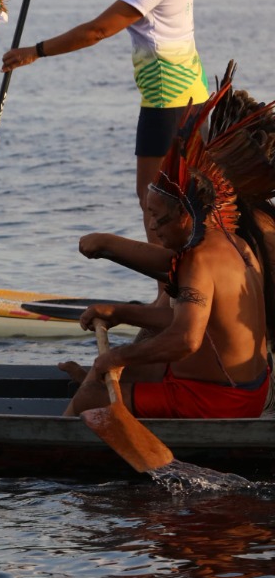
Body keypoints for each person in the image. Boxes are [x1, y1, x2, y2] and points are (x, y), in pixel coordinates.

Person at [63, 78, 271, 419]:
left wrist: (117, 357)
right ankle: (92, 392)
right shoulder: (232, 242)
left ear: (186, 216)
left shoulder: (199, 259)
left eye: (159, 219)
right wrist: (117, 312)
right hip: (245, 389)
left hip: (218, 400)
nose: (154, 229)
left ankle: (59, 445)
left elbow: (186, 339)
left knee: (93, 396)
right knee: (116, 371)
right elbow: (186, 319)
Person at [1, 0, 209, 214]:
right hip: (193, 97)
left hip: (167, 99)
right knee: (184, 204)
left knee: (153, 201)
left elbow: (98, 31)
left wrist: (36, 51)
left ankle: (167, 266)